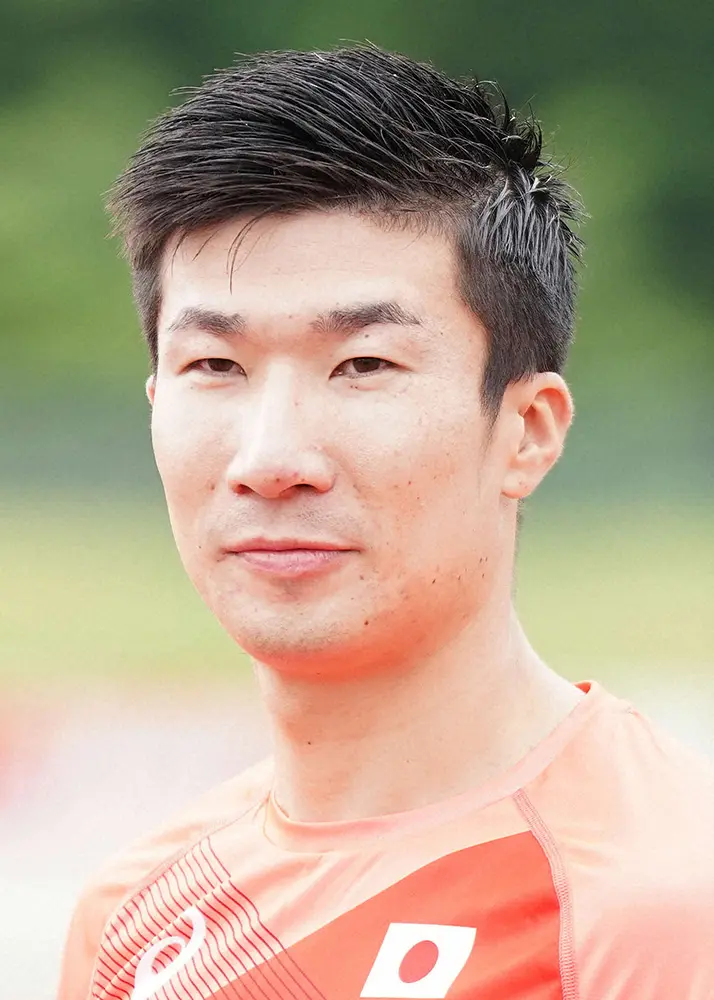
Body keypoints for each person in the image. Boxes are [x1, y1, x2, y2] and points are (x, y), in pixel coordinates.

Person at [58, 44, 714, 1000]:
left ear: (528, 430)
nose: (270, 458)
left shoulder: (653, 907)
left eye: (363, 365)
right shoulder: (133, 916)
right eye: (215, 367)